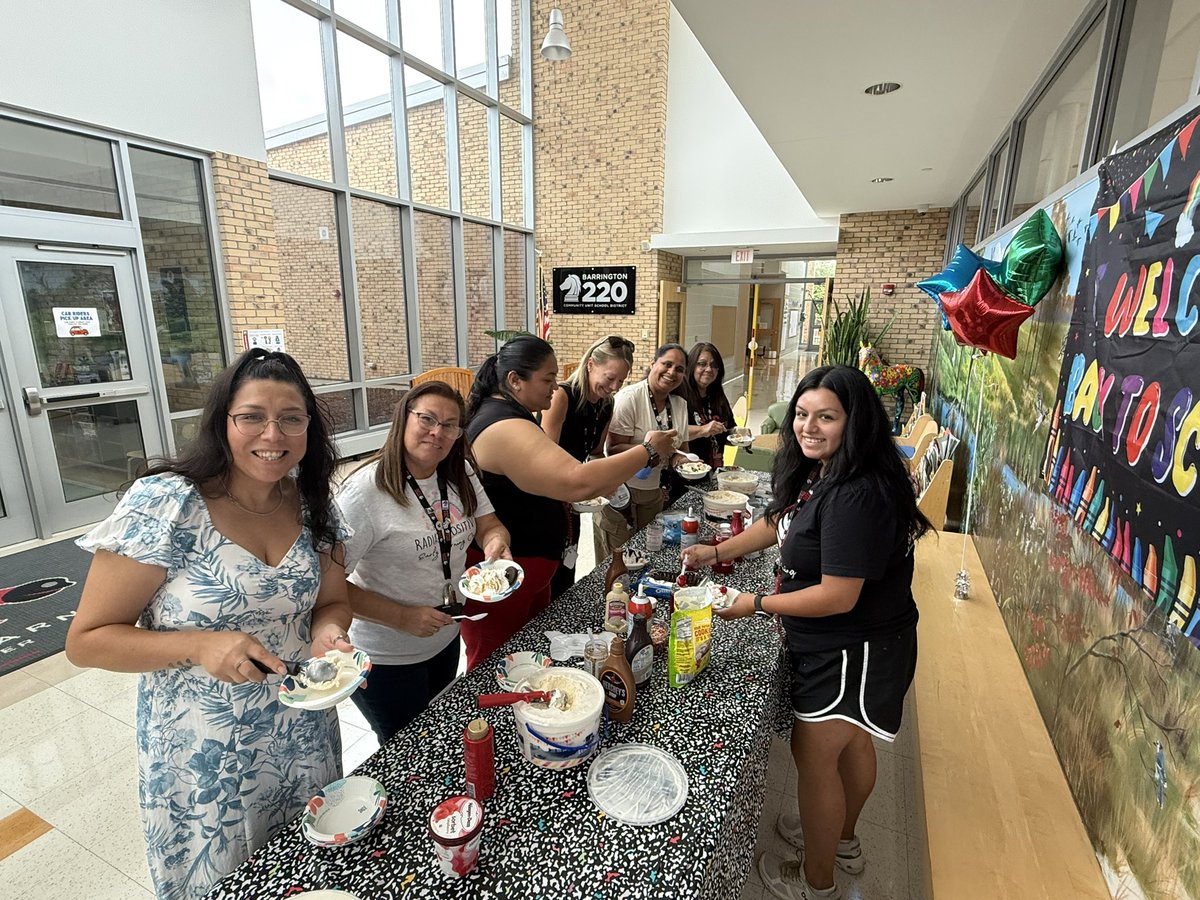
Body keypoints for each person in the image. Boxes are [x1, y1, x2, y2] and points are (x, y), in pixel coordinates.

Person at [65, 349, 355, 900]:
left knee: (307, 874)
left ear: (309, 428)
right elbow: (86, 641)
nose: (273, 434)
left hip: (302, 733)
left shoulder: (313, 503)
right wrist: (199, 645)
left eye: (291, 418)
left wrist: (327, 632)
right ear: (222, 422)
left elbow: (334, 602)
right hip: (203, 751)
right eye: (252, 417)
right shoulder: (167, 504)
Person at [682, 364, 931, 900]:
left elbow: (838, 596)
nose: (808, 427)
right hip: (853, 643)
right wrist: (715, 551)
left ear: (855, 422)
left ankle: (817, 883)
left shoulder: (856, 493)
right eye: (801, 414)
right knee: (852, 742)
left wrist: (754, 603)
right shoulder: (826, 470)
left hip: (853, 649)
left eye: (826, 417)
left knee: (816, 762)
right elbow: (780, 522)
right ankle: (842, 839)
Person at [463, 335, 676, 669]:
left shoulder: (515, 414)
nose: (554, 386)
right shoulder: (502, 423)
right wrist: (648, 451)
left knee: (528, 661)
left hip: (532, 566)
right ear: (515, 381)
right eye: (547, 379)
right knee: (494, 667)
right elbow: (576, 480)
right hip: (506, 571)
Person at [338, 381, 512, 744]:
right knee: (406, 749)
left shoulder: (458, 472)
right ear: (404, 418)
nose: (437, 432)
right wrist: (402, 617)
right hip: (385, 657)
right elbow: (327, 585)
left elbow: (490, 525)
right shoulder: (365, 492)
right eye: (427, 419)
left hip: (444, 636)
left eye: (449, 425)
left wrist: (496, 543)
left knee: (436, 733)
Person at [541, 334, 635, 596]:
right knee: (549, 570)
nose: (614, 386)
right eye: (610, 378)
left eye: (621, 381)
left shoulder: (607, 404)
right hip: (548, 496)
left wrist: (607, 482)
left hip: (574, 495)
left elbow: (595, 454)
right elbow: (545, 456)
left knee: (568, 566)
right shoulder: (561, 396)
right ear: (591, 364)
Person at [594, 342, 690, 561]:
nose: (672, 372)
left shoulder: (680, 404)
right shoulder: (630, 397)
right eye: (667, 364)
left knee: (647, 554)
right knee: (616, 560)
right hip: (620, 491)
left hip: (653, 493)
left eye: (680, 369)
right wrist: (651, 450)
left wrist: (682, 462)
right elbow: (613, 449)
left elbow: (680, 450)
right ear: (653, 363)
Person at [679, 341, 736, 469]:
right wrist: (703, 430)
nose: (709, 369)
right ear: (691, 366)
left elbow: (729, 429)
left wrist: (738, 435)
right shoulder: (680, 396)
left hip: (715, 470)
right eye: (702, 364)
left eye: (714, 365)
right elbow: (672, 432)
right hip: (689, 471)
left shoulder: (718, 396)